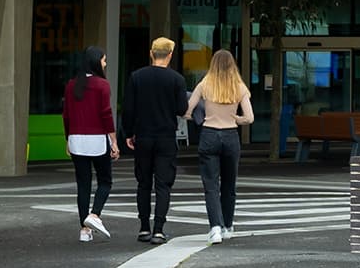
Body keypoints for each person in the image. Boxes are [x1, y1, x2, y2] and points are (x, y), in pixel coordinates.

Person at [123, 37, 190, 244]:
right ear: (170, 55)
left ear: (151, 54)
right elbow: (181, 109)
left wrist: (128, 133)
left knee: (143, 183)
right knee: (163, 184)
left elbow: (129, 108)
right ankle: (159, 229)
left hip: (143, 135)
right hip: (166, 137)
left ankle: (144, 227)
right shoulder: (177, 79)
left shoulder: (137, 77)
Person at [185, 49, 254, 244]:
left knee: (211, 185)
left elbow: (187, 111)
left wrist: (198, 117)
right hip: (231, 135)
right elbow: (250, 118)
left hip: (209, 135)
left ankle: (215, 227)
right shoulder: (239, 86)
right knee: (229, 184)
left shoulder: (204, 84)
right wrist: (237, 119)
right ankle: (228, 226)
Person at [63, 46, 118, 242]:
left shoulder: (71, 85)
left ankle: (84, 230)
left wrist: (67, 139)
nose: (105, 63)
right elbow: (106, 114)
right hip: (97, 141)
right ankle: (94, 215)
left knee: (83, 185)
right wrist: (114, 140)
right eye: (104, 60)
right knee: (105, 181)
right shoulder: (102, 85)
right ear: (97, 62)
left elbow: (67, 115)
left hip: (76, 140)